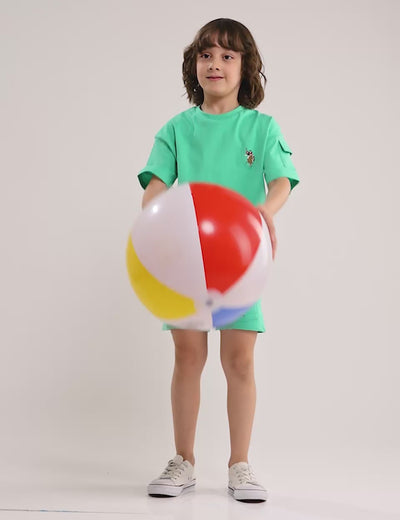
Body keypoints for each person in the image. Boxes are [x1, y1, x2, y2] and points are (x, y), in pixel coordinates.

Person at [137, 18, 300, 503]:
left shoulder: (261, 127)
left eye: (228, 56)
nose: (216, 64)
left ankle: (239, 464)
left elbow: (282, 181)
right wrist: (156, 223)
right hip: (186, 263)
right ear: (194, 65)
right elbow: (155, 187)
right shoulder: (177, 129)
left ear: (245, 67)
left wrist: (263, 213)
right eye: (206, 55)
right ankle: (183, 460)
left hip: (240, 263)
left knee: (239, 361)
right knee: (188, 357)